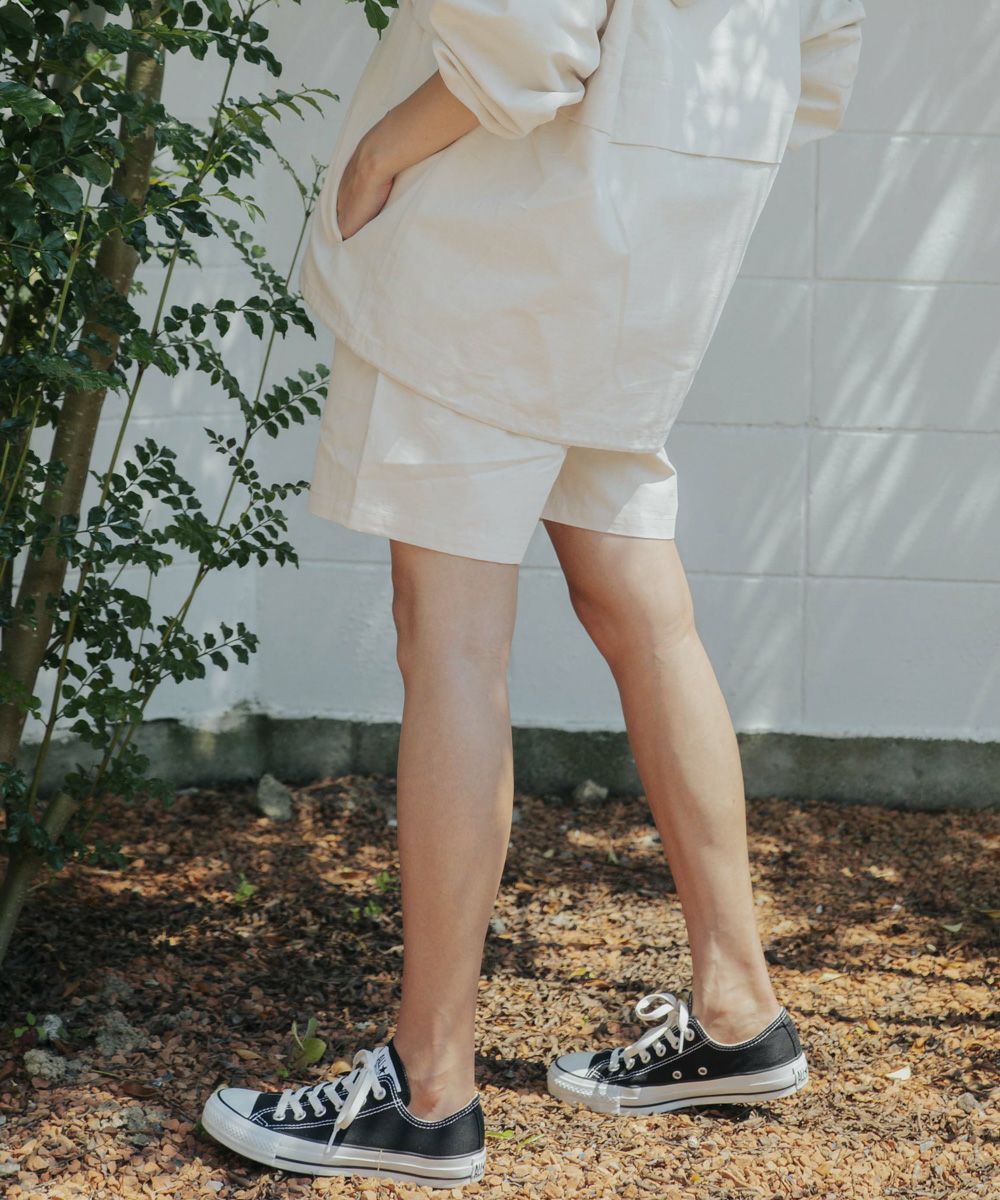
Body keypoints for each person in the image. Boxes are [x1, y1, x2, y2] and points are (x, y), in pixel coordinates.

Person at [201, 0, 866, 1187]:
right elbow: (818, 61)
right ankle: (736, 1009)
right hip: (645, 256)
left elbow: (529, 37)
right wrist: (663, 173)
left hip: (496, 243)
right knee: (640, 606)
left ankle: (429, 1089)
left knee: (452, 641)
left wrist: (375, 154)